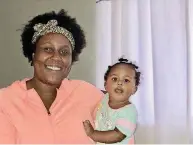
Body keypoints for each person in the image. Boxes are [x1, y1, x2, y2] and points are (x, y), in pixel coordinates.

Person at [0, 9, 103, 144]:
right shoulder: (5, 101)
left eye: (64, 52)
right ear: (33, 55)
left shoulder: (88, 95)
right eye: (47, 49)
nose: (56, 57)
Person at [83, 58, 141, 144]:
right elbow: (95, 92)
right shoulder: (105, 97)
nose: (120, 83)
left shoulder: (129, 111)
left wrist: (93, 134)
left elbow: (117, 135)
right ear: (106, 85)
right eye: (114, 79)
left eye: (126, 80)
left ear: (134, 89)